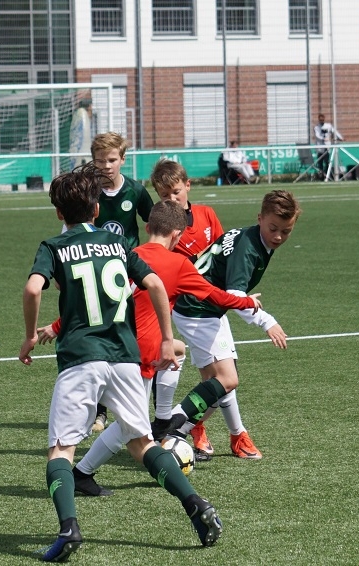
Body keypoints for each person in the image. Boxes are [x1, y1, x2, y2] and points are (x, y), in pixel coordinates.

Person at [19, 164, 223, 561]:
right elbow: (155, 283)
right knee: (142, 444)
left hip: (81, 357)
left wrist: (29, 336)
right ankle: (196, 505)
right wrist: (167, 339)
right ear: (97, 209)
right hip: (126, 358)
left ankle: (69, 529)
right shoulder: (117, 246)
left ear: (59, 213)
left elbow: (32, 289)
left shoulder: (54, 246)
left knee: (61, 450)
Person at [39, 199, 261, 497]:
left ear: (147, 227)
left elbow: (100, 299)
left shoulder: (127, 254)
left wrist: (56, 326)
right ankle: (84, 471)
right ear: (178, 235)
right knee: (131, 425)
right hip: (138, 354)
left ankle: (160, 420)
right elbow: (216, 297)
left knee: (176, 354)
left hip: (112, 343)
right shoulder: (178, 264)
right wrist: (248, 301)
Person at [161, 190, 302, 460]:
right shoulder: (248, 248)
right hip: (197, 309)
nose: (278, 237)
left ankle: (234, 436)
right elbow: (236, 295)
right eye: (273, 228)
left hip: (208, 306)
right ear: (260, 218)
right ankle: (170, 430)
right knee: (226, 380)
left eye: (286, 231)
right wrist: (267, 322)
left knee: (217, 383)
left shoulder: (254, 237)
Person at [150, 159, 245, 461]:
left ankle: (204, 428)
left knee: (218, 376)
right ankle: (212, 431)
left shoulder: (206, 214)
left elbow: (223, 251)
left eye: (176, 192)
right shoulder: (167, 231)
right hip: (191, 310)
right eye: (165, 196)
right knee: (220, 376)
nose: (172, 199)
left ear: (188, 186)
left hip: (213, 303)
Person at [88, 132, 156, 432]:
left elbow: (155, 225)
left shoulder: (136, 191)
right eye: (100, 160)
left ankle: (140, 405)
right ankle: (100, 411)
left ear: (123, 160)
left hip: (130, 275)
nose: (106, 166)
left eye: (112, 160)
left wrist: (148, 257)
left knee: (134, 338)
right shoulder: (89, 191)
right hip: (97, 273)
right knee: (101, 338)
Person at [313, 114, 344, 180]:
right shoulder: (316, 127)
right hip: (320, 148)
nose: (322, 121)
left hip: (327, 147)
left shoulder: (328, 126)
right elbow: (317, 136)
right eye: (320, 120)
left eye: (323, 120)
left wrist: (340, 137)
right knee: (320, 163)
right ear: (319, 120)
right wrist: (323, 139)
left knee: (327, 162)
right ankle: (321, 176)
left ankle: (327, 176)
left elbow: (334, 131)